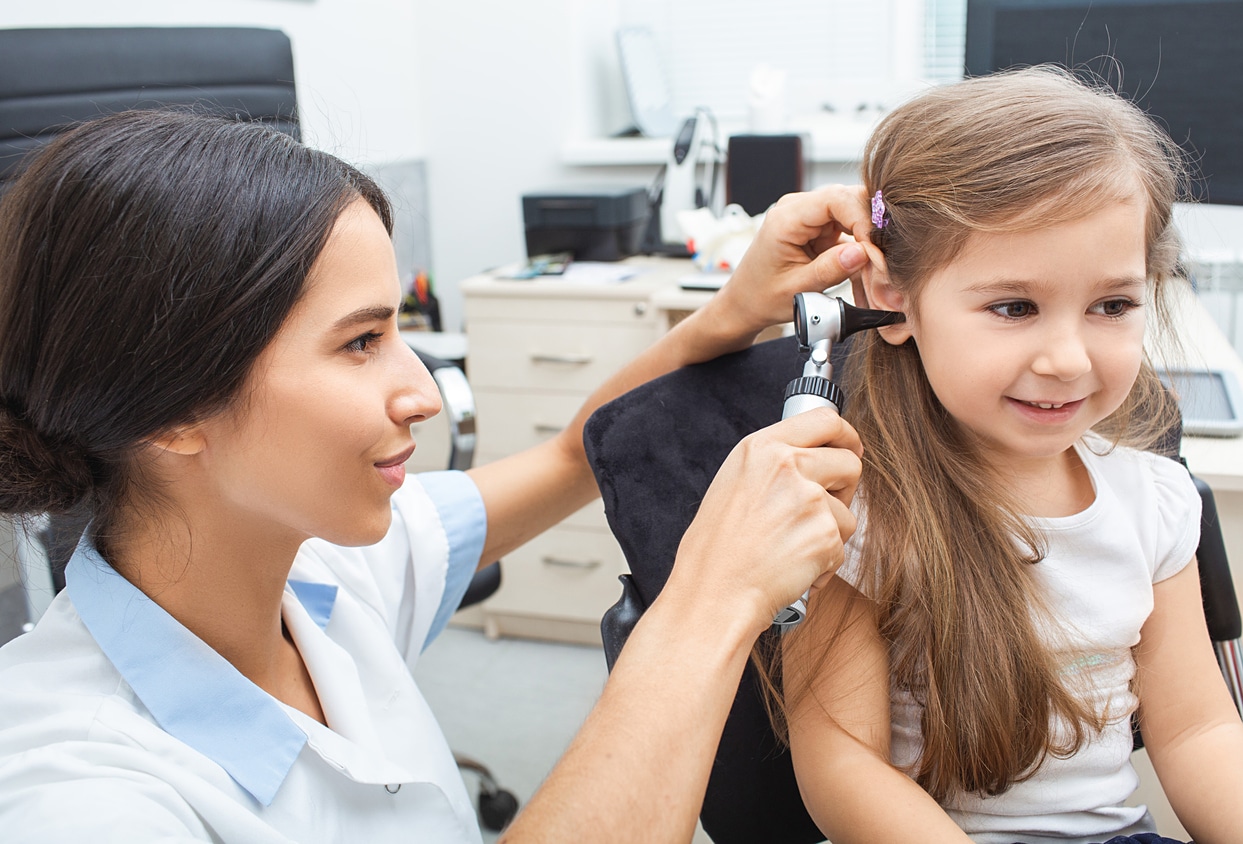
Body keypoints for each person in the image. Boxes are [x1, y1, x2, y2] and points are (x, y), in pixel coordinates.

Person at [0, 109, 869, 843]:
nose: (422, 391)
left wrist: (732, 311)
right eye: (360, 343)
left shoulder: (318, 572)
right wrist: (709, 604)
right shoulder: (80, 796)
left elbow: (574, 454)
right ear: (171, 410)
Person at [772, 66, 1243, 844]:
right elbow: (842, 769)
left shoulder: (1156, 503)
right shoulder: (852, 515)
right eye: (1013, 307)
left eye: (1111, 305)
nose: (1066, 358)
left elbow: (1196, 733)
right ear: (892, 299)